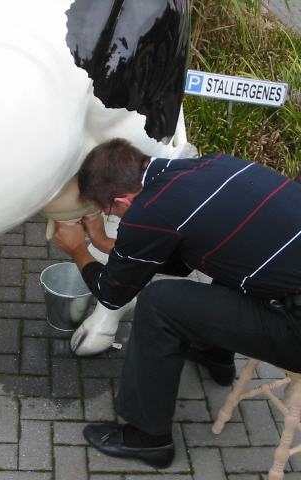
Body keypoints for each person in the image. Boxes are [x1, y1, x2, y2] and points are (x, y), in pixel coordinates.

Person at [54, 138, 301, 469]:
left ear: (121, 200)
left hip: (294, 325)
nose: (109, 216)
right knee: (230, 250)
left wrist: (79, 251)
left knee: (159, 303)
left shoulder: (149, 213)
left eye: (107, 211)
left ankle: (148, 438)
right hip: (288, 281)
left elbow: (113, 293)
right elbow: (182, 257)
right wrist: (103, 241)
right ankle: (215, 355)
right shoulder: (211, 163)